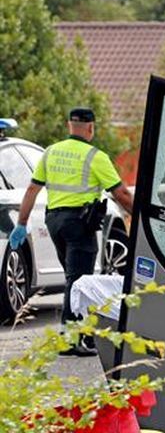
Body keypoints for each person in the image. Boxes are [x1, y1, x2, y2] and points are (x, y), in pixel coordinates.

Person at [8, 107, 133, 356]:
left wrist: (21, 223)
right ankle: (71, 339)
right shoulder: (95, 156)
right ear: (91, 128)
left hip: (54, 222)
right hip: (79, 224)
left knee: (73, 278)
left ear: (69, 126)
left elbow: (32, 190)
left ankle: (81, 336)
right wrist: (142, 219)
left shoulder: (50, 152)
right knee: (79, 281)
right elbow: (121, 194)